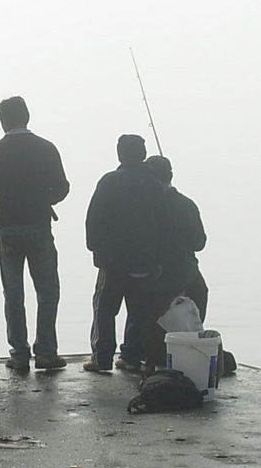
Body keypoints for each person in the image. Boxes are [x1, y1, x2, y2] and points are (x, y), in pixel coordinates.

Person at [0, 96, 69, 371]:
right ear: (27, 116)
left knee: (13, 293)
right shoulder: (46, 148)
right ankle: (46, 352)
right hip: (38, 225)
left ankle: (19, 353)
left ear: (3, 121)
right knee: (47, 290)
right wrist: (44, 200)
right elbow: (62, 187)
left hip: (7, 227)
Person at [84, 134, 169, 373]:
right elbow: (164, 224)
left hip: (112, 260)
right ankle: (130, 357)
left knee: (104, 309)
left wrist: (94, 247)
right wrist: (159, 258)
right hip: (143, 260)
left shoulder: (109, 181)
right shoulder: (154, 185)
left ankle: (101, 358)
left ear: (120, 154)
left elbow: (94, 218)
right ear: (143, 154)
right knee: (138, 311)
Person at [140, 155, 208, 367]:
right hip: (187, 272)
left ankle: (151, 354)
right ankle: (191, 348)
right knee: (200, 295)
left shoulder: (144, 207)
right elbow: (199, 243)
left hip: (155, 275)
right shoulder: (187, 205)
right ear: (170, 175)